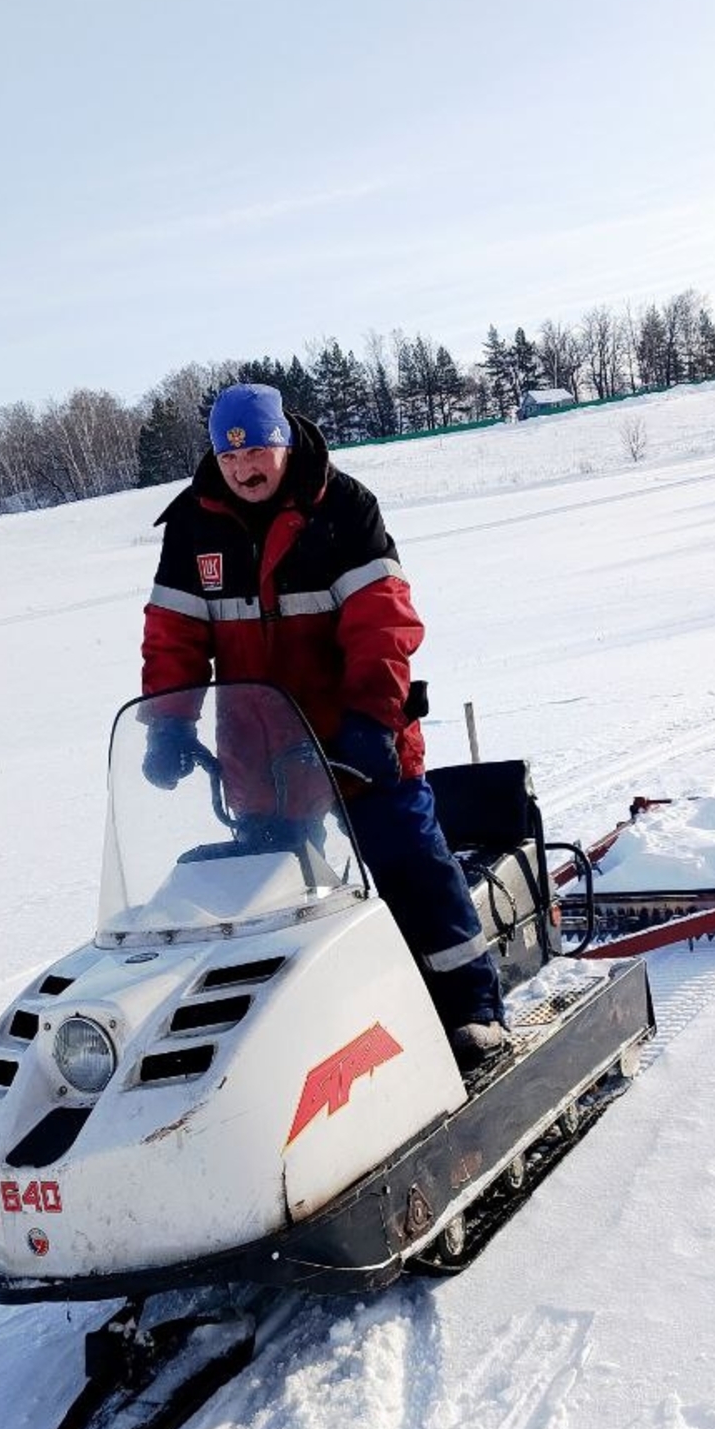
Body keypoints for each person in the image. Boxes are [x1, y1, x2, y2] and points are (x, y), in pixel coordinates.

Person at [140, 381, 510, 1069]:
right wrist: (166, 724)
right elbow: (174, 637)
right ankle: (294, 1049)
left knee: (407, 861)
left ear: (284, 443)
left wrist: (372, 718)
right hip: (261, 755)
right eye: (228, 458)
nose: (243, 470)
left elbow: (383, 625)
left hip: (357, 742)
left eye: (256, 454)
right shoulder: (193, 527)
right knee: (272, 904)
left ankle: (472, 1010)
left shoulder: (343, 508)